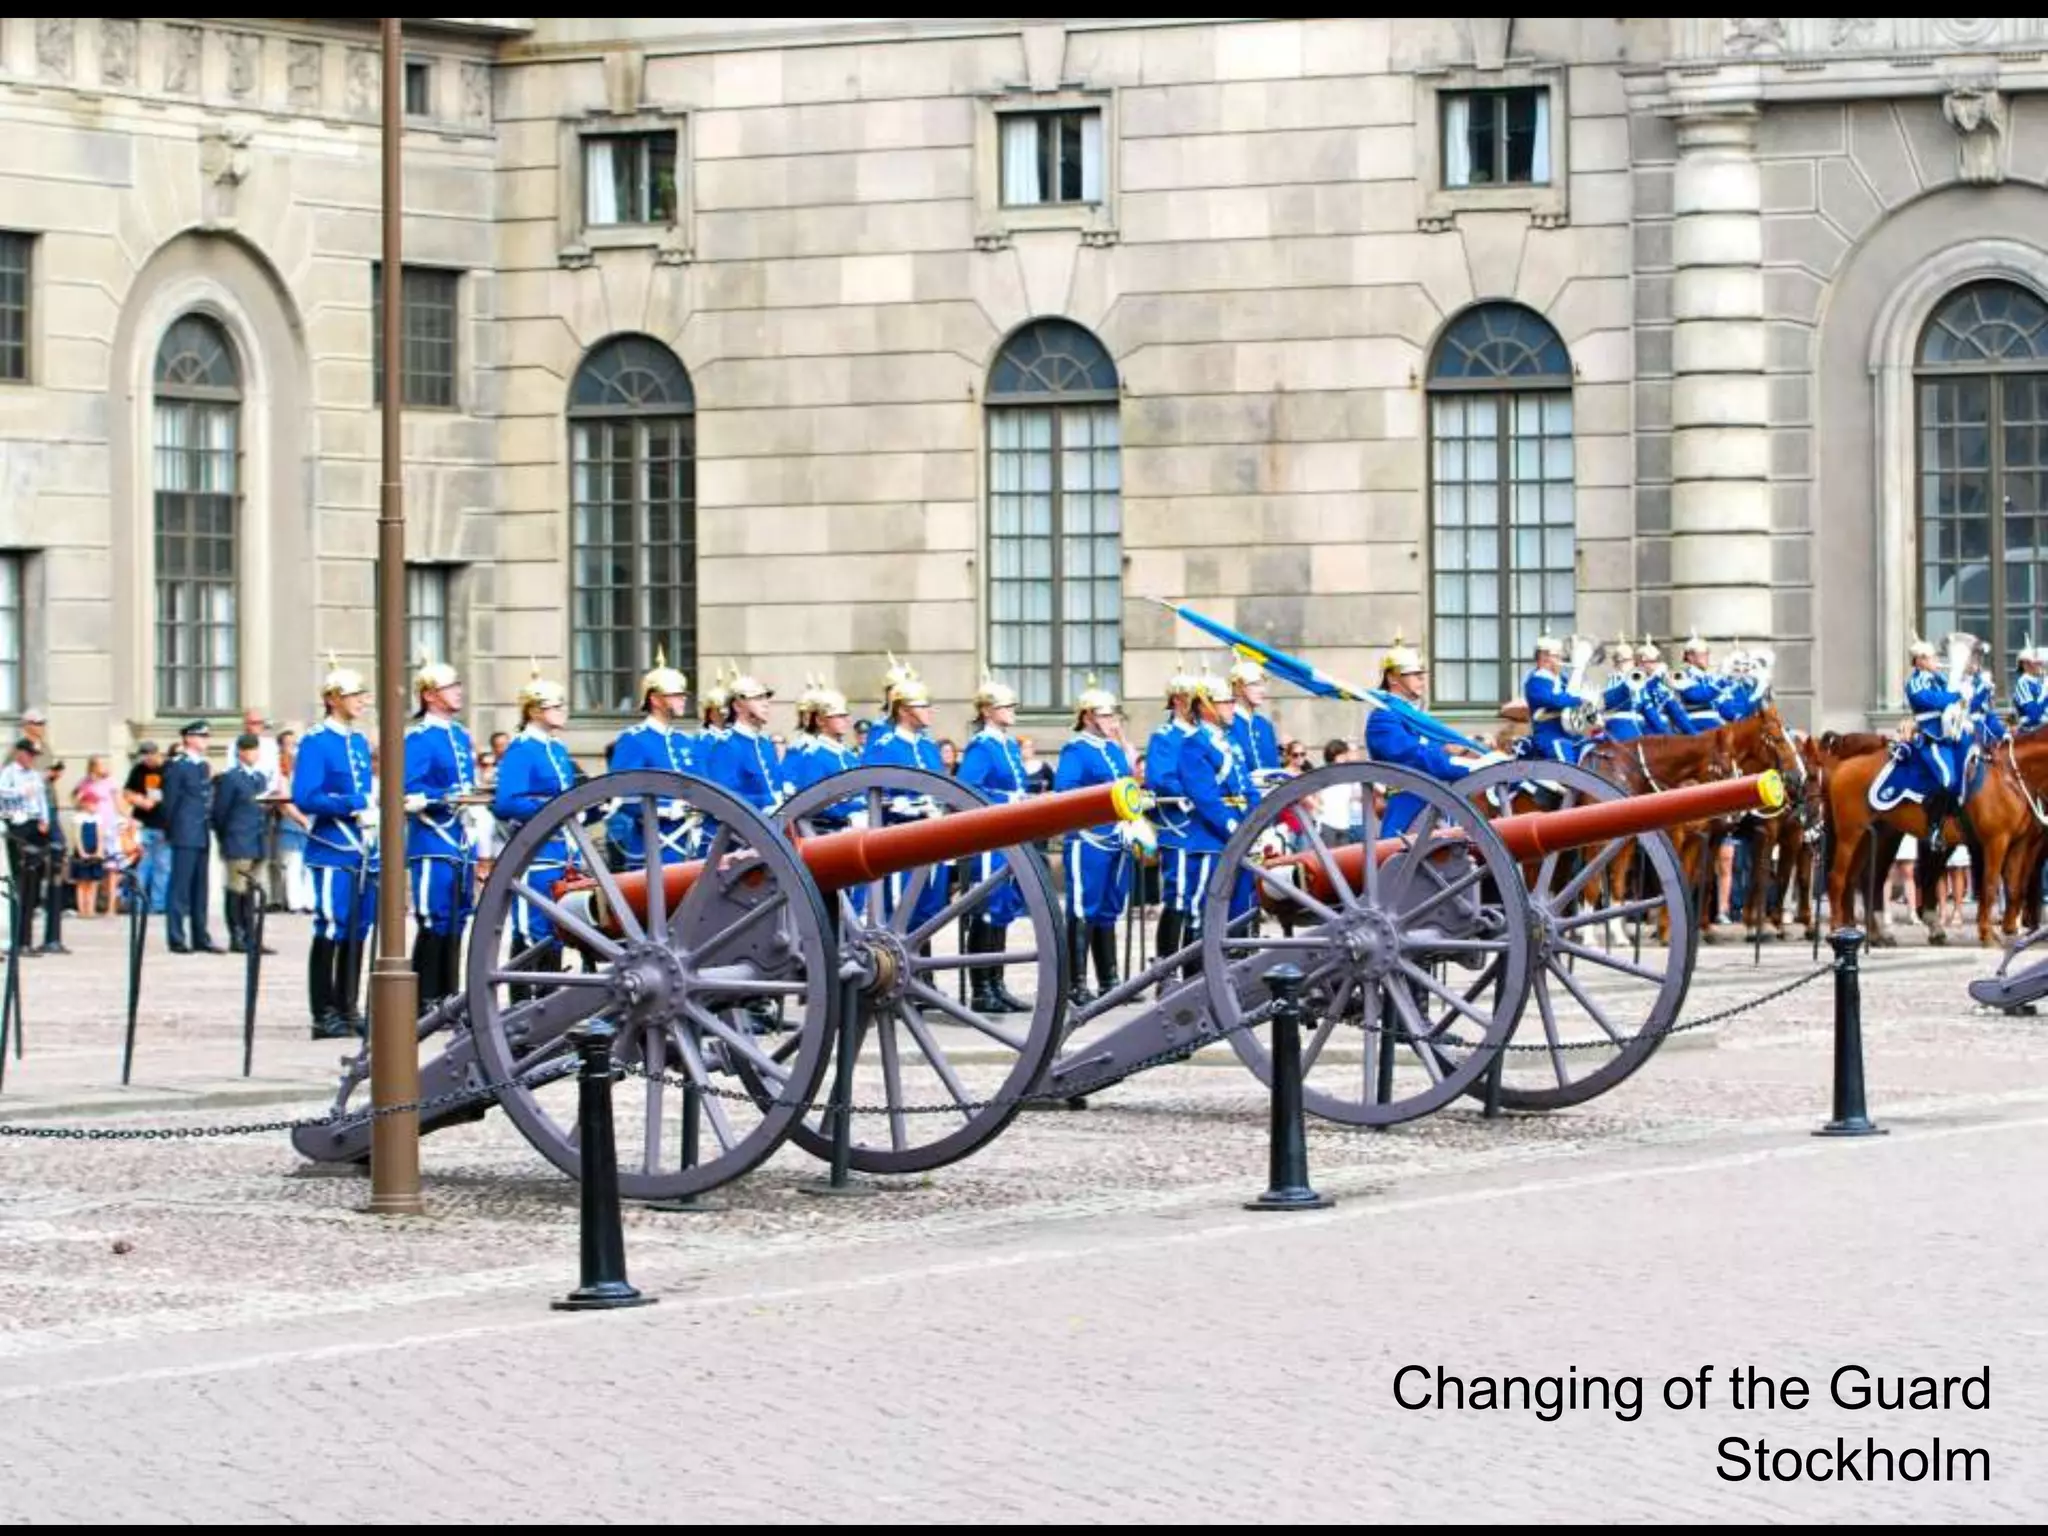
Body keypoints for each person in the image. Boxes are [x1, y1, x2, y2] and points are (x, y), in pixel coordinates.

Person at [293, 658, 377, 1039]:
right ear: (333, 699)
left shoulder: (357, 741)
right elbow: (306, 796)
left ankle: (347, 1005)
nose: (361, 700)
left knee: (358, 927)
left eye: (361, 694)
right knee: (331, 925)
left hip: (360, 846)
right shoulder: (316, 741)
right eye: (354, 695)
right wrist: (354, 803)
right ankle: (323, 1011)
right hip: (332, 845)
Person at [492, 666, 578, 998]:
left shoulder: (556, 749)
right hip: (535, 850)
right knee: (532, 930)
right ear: (534, 711)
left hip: (561, 849)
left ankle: (548, 999)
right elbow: (507, 802)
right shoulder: (522, 749)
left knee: (556, 928)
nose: (561, 711)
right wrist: (555, 808)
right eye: (554, 706)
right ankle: (522, 1003)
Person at [1054, 676, 1139, 1005]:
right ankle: (1075, 983)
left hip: (1117, 836)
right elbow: (1066, 790)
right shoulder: (1076, 749)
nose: (1112, 721)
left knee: (1108, 907)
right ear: (1088, 717)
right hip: (1089, 838)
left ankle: (1109, 979)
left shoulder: (1112, 749)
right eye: (1105, 715)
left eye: (1113, 715)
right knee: (1083, 908)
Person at [404, 654, 479, 1010]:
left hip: (460, 839)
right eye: (451, 687)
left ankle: (449, 996)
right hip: (433, 838)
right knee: (434, 917)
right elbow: (410, 791)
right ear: (430, 695)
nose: (458, 692)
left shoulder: (459, 735)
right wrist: (444, 797)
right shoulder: (420, 737)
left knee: (458, 917)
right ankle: (424, 997)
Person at [955, 672, 1031, 1014]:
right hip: (989, 838)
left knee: (1002, 909)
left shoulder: (1008, 745)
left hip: (1008, 833)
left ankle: (997, 984)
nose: (1011, 710)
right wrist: (1007, 801)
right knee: (986, 908)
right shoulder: (982, 746)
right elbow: (967, 789)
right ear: (987, 711)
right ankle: (981, 988)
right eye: (1004, 706)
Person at [862, 655, 950, 931]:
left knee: (930, 910)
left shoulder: (928, 746)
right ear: (903, 711)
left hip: (933, 835)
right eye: (922, 706)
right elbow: (874, 793)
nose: (929, 711)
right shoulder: (885, 746)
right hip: (902, 837)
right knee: (903, 910)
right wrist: (910, 806)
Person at [1363, 638, 1479, 837]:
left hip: (1439, 796)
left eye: (1422, 674)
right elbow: (1412, 756)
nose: (1422, 679)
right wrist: (1462, 762)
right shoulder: (1383, 718)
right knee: (1395, 852)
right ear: (1393, 678)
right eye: (1414, 674)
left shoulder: (1415, 716)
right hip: (1408, 800)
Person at [606, 647, 695, 869]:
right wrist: (665, 809)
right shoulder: (634, 739)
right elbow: (622, 794)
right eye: (675, 695)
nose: (683, 699)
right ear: (655, 699)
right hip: (652, 845)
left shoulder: (684, 740)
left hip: (688, 843)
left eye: (683, 694)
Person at [1146, 668, 1200, 981]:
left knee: (1198, 898)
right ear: (1179, 701)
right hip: (1178, 823)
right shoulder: (1165, 736)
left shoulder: (1202, 735)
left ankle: (1194, 973)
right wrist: (1195, 792)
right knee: (1178, 896)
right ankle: (1166, 972)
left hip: (1203, 826)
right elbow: (1161, 778)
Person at [1901, 633, 1970, 856]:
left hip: (1950, 736)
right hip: (1932, 738)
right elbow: (1932, 701)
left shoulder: (1939, 679)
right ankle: (1933, 827)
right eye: (1931, 658)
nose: (1936, 661)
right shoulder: (1916, 682)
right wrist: (1956, 695)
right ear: (1920, 660)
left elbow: (1952, 700)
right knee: (1947, 780)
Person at [210, 732, 276, 955]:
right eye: (249, 749)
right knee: (236, 889)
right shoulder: (230, 778)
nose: (253, 753)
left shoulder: (260, 778)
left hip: (258, 841)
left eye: (255, 749)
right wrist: (225, 838)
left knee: (252, 891)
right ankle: (237, 935)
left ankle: (252, 936)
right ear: (240, 752)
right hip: (238, 840)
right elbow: (220, 812)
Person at [160, 721, 221, 954]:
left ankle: (200, 936)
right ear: (188, 739)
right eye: (201, 736)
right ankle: (176, 937)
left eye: (206, 736)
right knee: (180, 887)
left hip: (201, 831)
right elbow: (170, 802)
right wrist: (171, 830)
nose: (206, 740)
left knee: (200, 888)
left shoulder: (202, 766)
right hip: (184, 831)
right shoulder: (178, 766)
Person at [781, 675, 861, 825]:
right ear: (820, 720)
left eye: (845, 715)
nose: (846, 720)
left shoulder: (849, 755)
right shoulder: (813, 756)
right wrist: (847, 815)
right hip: (832, 828)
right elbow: (812, 802)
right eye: (838, 716)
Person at [0, 736, 51, 955]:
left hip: (33, 824)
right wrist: (19, 792)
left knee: (34, 877)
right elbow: (2, 795)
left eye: (33, 755)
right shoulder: (9, 773)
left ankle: (26, 939)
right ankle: (17, 937)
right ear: (20, 753)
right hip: (17, 824)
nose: (31, 759)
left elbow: (41, 799)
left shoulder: (34, 775)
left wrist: (44, 819)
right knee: (20, 879)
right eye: (29, 754)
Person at [121, 740, 173, 916]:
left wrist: (142, 799)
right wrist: (136, 799)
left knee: (162, 866)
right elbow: (127, 791)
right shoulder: (138, 769)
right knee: (142, 865)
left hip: (162, 824)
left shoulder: (167, 769)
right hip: (142, 824)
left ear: (156, 753)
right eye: (144, 756)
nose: (146, 760)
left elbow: (156, 798)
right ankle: (138, 903)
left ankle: (158, 904)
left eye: (149, 755)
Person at [1523, 634, 1592, 763]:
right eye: (1556, 656)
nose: (1560, 660)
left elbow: (1572, 699)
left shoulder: (1562, 680)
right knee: (1566, 765)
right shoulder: (1536, 681)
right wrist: (1578, 699)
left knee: (1593, 753)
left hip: (1570, 736)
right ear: (1544, 658)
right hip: (1551, 736)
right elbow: (1553, 700)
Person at [70, 755, 122, 918]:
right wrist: (81, 800)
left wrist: (124, 820)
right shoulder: (85, 782)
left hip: (109, 826)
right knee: (92, 870)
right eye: (101, 765)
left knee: (112, 868)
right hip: (91, 828)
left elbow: (118, 803)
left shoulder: (110, 782)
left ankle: (111, 907)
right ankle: (88, 908)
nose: (104, 767)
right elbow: (75, 799)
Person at [1227, 660, 1285, 788]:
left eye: (1263, 685)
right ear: (1238, 687)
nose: (1262, 690)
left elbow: (1274, 765)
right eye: (1255, 684)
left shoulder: (1265, 725)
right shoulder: (1227, 724)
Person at [1673, 633, 1725, 730]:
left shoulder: (1709, 678)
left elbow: (1722, 704)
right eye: (1703, 654)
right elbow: (1697, 696)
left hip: (1715, 722)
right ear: (1690, 657)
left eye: (1707, 654)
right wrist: (1722, 682)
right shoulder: (1681, 676)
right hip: (1695, 722)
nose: (1707, 658)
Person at [2015, 641, 2048, 733]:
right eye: (2036, 663)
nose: (2041, 666)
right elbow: (2033, 715)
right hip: (2032, 732)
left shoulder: (2040, 683)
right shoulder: (2023, 684)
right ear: (2025, 665)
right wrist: (2045, 693)